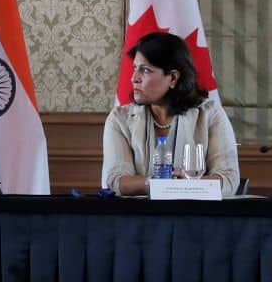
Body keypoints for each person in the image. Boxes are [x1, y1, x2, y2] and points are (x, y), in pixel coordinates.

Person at [102, 31, 240, 195]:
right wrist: (162, 185)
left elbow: (228, 179)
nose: (134, 78)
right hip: (139, 217)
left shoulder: (210, 114)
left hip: (196, 217)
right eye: (135, 68)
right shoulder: (120, 119)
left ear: (173, 78)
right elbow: (116, 180)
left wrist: (186, 186)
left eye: (145, 70)